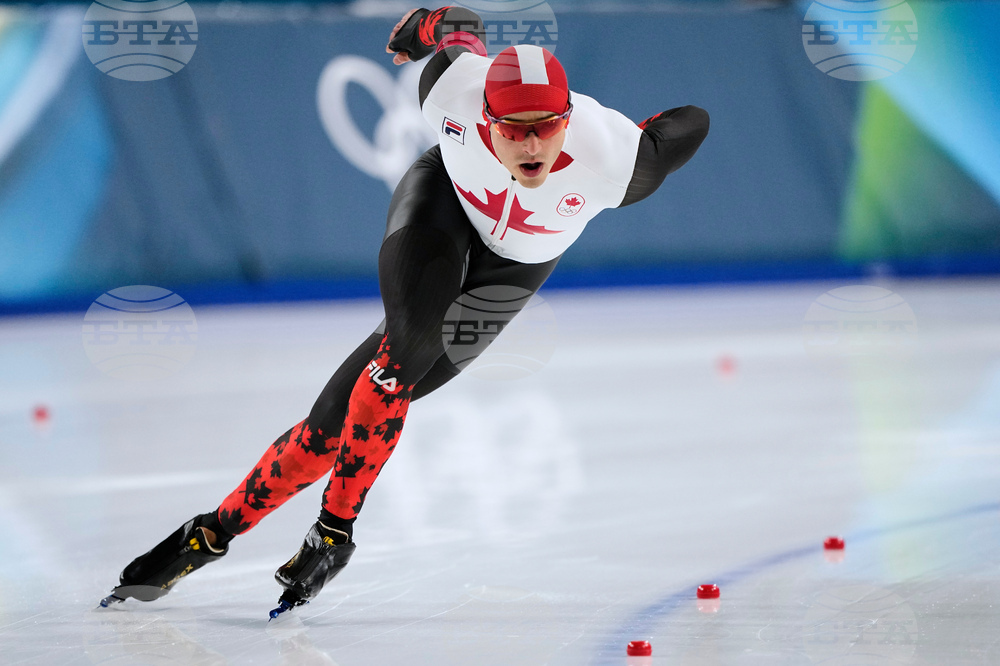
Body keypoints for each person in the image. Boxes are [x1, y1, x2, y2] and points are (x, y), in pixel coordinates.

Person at [100, 6, 710, 617]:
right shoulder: (451, 91)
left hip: (514, 268)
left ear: (569, 119)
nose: (530, 145)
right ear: (484, 116)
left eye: (546, 128)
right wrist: (432, 24)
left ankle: (213, 532)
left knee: (333, 427)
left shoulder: (619, 162)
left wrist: (638, 132)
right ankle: (312, 536)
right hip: (441, 206)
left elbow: (694, 121)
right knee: (400, 356)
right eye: (513, 128)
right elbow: (459, 32)